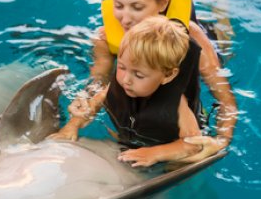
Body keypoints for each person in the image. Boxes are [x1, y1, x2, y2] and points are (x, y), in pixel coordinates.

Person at [69, 0, 236, 163]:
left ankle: (220, 11)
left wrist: (221, 140)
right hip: (143, 78)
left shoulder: (191, 37)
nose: (126, 19)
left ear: (163, 1)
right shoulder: (105, 37)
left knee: (225, 48)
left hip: (199, 40)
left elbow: (226, 102)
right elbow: (98, 80)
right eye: (118, 6)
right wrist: (84, 100)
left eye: (137, 7)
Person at [50, 16, 214, 166]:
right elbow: (97, 101)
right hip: (133, 134)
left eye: (139, 75)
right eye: (121, 67)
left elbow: (193, 144)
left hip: (161, 144)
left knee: (176, 166)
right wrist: (72, 125)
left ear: (168, 75)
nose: (126, 79)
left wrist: (155, 154)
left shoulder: (178, 104)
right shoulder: (122, 81)